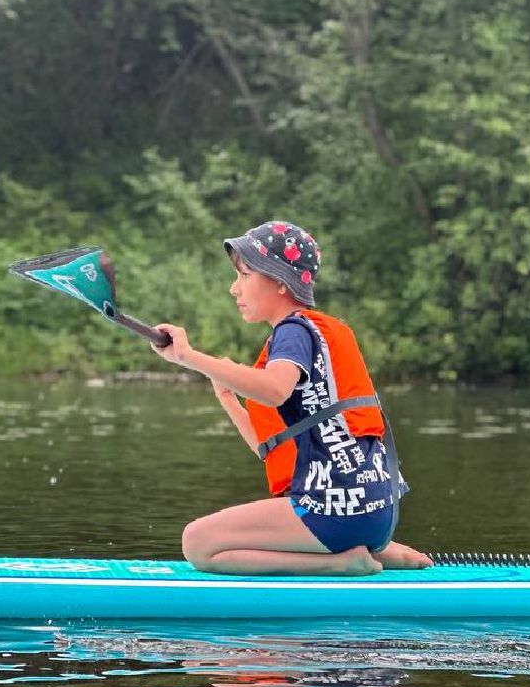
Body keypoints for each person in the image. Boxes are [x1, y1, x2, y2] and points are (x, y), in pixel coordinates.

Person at [152, 220, 433, 576]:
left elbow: (274, 390)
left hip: (333, 510)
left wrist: (187, 357)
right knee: (220, 534)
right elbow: (269, 446)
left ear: (280, 282)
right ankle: (377, 547)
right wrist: (228, 398)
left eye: (245, 275)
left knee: (198, 544)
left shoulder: (293, 332)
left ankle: (340, 563)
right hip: (377, 511)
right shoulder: (314, 334)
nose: (233, 288)